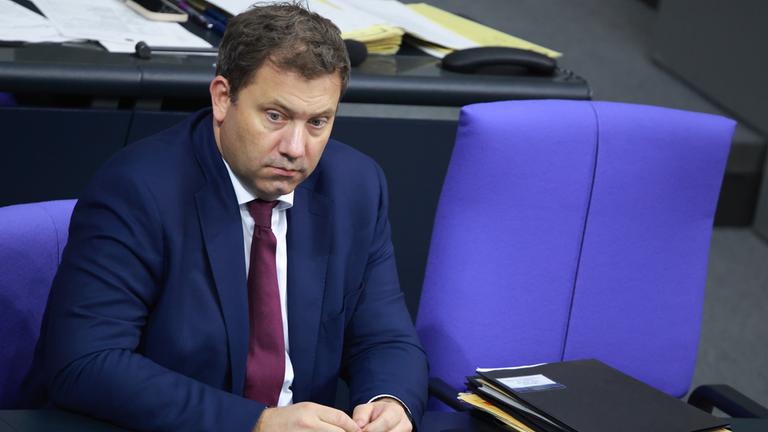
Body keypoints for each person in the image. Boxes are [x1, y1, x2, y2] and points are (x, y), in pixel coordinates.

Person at [25, 3, 428, 431]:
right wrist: (257, 423)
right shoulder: (138, 190)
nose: (295, 148)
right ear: (222, 98)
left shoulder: (355, 187)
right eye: (275, 116)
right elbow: (87, 362)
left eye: (318, 122)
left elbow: (384, 337)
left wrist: (390, 401)